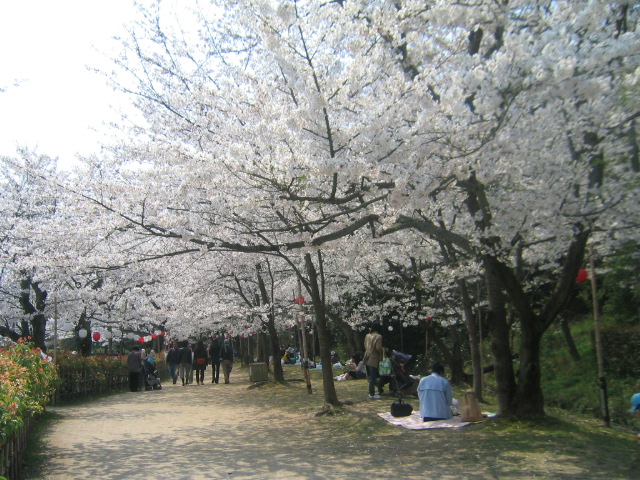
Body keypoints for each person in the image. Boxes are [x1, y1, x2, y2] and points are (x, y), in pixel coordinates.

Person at [363, 323, 383, 399]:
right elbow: (378, 348)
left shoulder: (367, 336)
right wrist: (384, 350)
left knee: (371, 376)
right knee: (373, 376)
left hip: (367, 356)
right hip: (374, 358)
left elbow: (365, 346)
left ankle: (373, 392)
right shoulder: (378, 336)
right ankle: (372, 394)